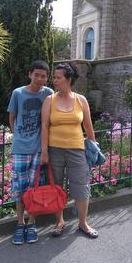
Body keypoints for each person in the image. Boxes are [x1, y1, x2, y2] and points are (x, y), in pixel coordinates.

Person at [41, 62, 98, 238]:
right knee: (56, 187)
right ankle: (59, 221)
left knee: (81, 187)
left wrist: (94, 149)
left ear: (69, 79)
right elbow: (44, 127)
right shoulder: (49, 100)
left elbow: (88, 127)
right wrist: (44, 152)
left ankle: (83, 223)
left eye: (58, 77)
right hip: (55, 150)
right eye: (54, 77)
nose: (55, 81)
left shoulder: (81, 100)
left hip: (77, 150)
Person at [7, 59, 53, 245]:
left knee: (35, 188)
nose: (40, 79)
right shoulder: (18, 93)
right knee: (19, 188)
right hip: (20, 148)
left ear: (47, 77)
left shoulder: (48, 94)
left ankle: (32, 222)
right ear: (30, 74)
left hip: (38, 149)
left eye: (43, 76)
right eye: (36, 75)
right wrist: (19, 134)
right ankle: (20, 223)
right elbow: (12, 117)